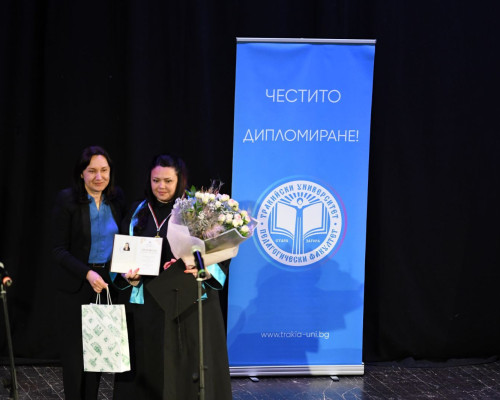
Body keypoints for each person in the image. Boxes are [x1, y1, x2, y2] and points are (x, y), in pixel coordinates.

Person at [113, 154, 232, 400]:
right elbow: (122, 255)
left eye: (168, 181)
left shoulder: (196, 211)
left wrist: (202, 268)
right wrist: (127, 277)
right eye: (156, 180)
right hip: (148, 304)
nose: (161, 186)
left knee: (184, 370)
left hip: (186, 302)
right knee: (149, 367)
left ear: (179, 180)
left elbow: (219, 254)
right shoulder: (137, 212)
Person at [51, 145, 126, 399]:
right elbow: (58, 250)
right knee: (75, 358)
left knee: (97, 355)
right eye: (92, 171)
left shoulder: (116, 198)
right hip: (77, 285)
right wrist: (87, 274)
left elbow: (124, 242)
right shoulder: (67, 200)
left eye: (104, 170)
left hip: (106, 285)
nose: (99, 177)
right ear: (81, 173)